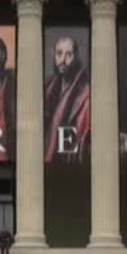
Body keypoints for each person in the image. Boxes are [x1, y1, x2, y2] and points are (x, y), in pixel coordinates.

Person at [42, 35, 92, 163]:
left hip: (70, 160)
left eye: (68, 54)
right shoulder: (48, 86)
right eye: (59, 53)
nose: (63, 60)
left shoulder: (86, 92)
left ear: (76, 57)